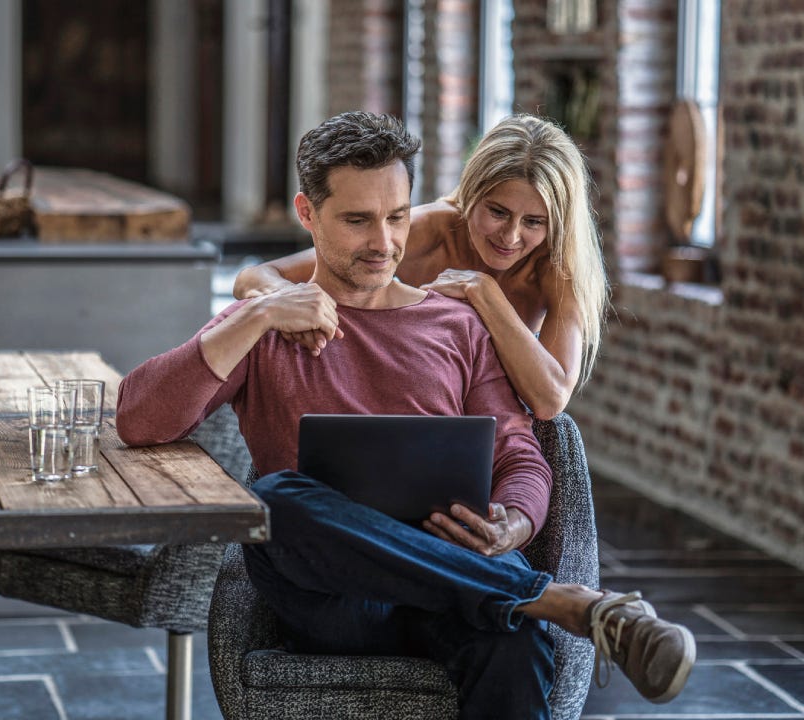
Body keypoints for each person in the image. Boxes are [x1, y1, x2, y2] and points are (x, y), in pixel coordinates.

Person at [117, 112, 694, 717]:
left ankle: (525, 601)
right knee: (277, 501)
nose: (384, 242)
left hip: (454, 589)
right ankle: (557, 601)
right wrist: (257, 316)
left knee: (514, 644)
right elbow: (138, 418)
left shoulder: (460, 324)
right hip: (336, 600)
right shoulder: (269, 323)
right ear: (307, 214)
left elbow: (521, 452)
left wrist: (517, 524)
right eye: (358, 220)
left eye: (396, 217)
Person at [232, 113, 607, 420]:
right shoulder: (423, 230)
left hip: (497, 423)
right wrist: (293, 305)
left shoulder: (558, 267)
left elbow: (550, 400)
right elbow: (255, 277)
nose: (510, 237)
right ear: (471, 193)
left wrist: (485, 293)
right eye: (498, 212)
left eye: (534, 222)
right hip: (400, 405)